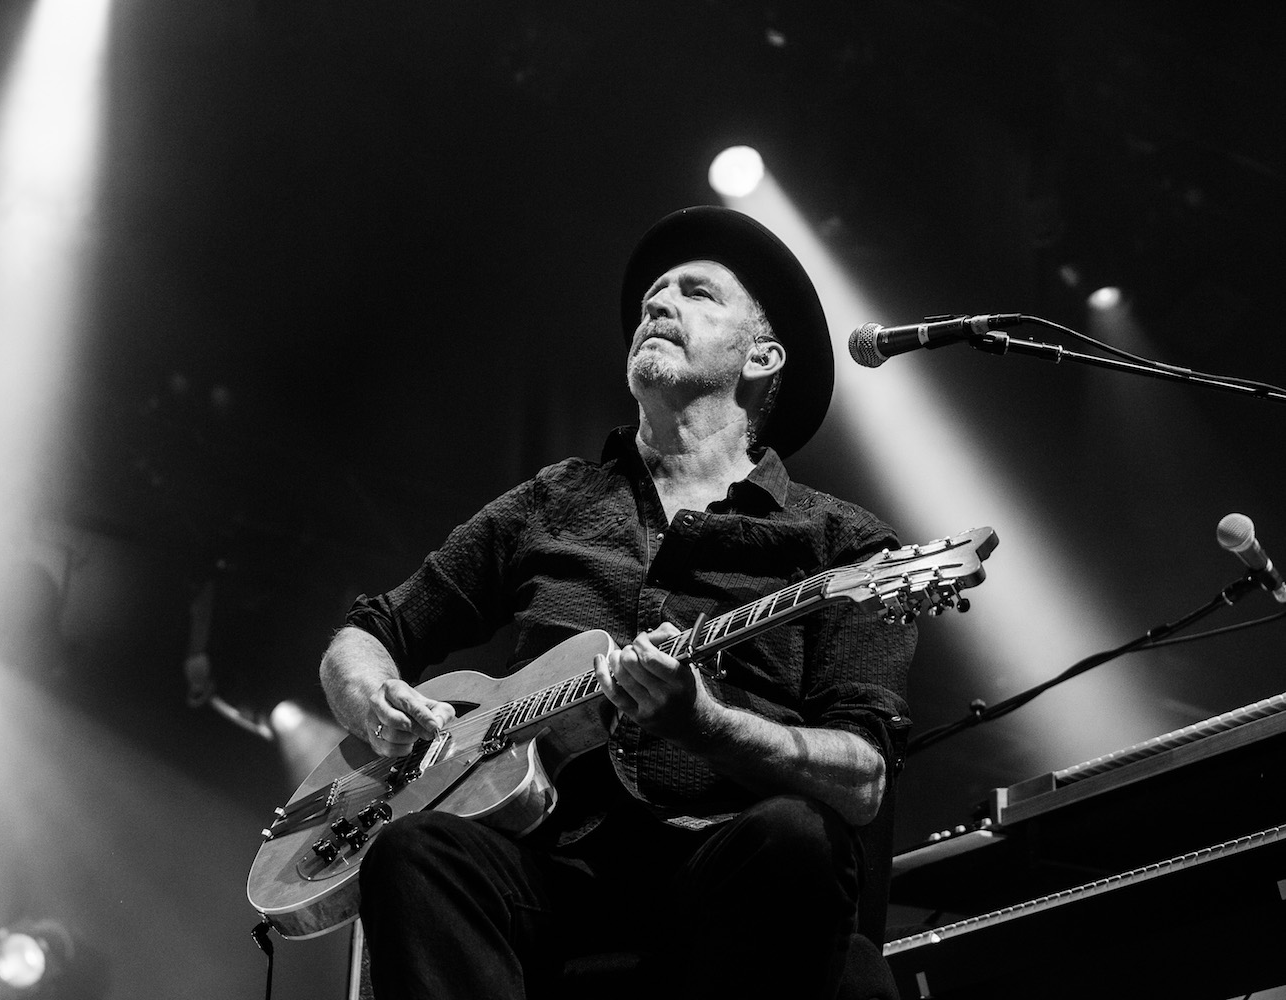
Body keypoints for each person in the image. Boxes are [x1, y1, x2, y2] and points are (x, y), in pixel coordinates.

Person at [318, 206, 916, 999]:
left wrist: (706, 723)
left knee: (797, 836)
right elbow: (371, 634)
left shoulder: (843, 544)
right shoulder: (552, 502)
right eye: (652, 298)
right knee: (415, 851)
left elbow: (861, 780)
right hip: (548, 871)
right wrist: (372, 705)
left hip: (728, 877)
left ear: (763, 355)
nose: (658, 304)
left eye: (697, 293)